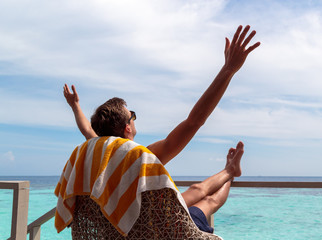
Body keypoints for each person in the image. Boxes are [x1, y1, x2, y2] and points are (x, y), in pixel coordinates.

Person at [63, 25, 260, 233]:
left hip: (135, 225)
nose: (134, 118)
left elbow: (87, 131)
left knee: (193, 191)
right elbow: (194, 121)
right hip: (163, 231)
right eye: (133, 115)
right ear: (127, 128)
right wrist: (229, 69)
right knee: (208, 200)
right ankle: (230, 172)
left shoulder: (98, 159)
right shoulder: (139, 158)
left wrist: (75, 106)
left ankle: (230, 170)